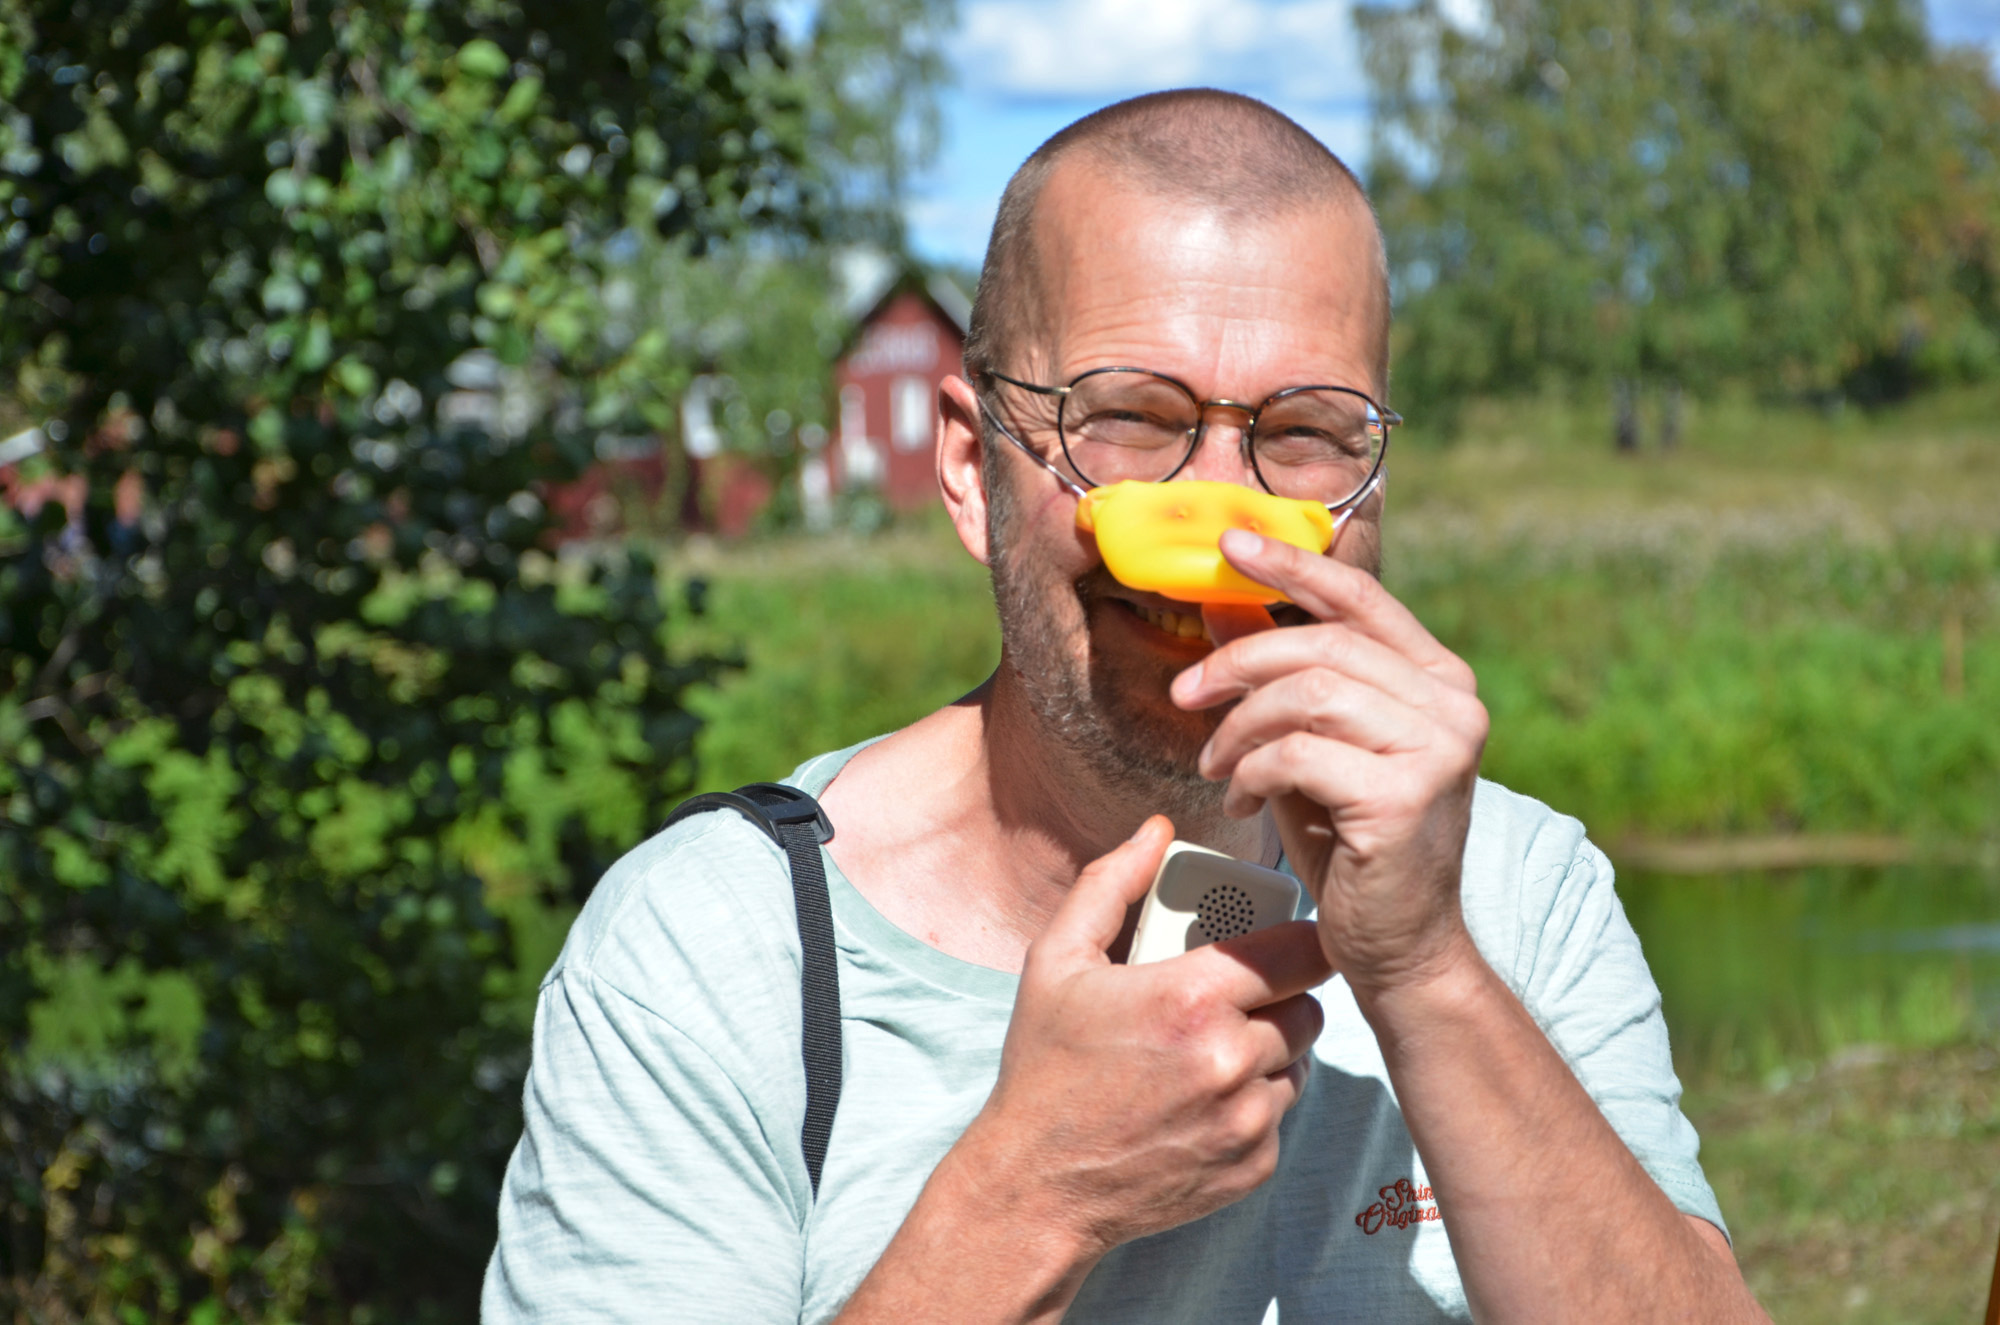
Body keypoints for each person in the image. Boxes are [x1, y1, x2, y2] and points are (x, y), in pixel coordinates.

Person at [484, 89, 1769, 1323]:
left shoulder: (1513, 895)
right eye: (1129, 419)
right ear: (967, 466)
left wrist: (1425, 972)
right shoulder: (711, 957)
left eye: (1305, 432)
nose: (1214, 523)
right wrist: (1031, 1198)